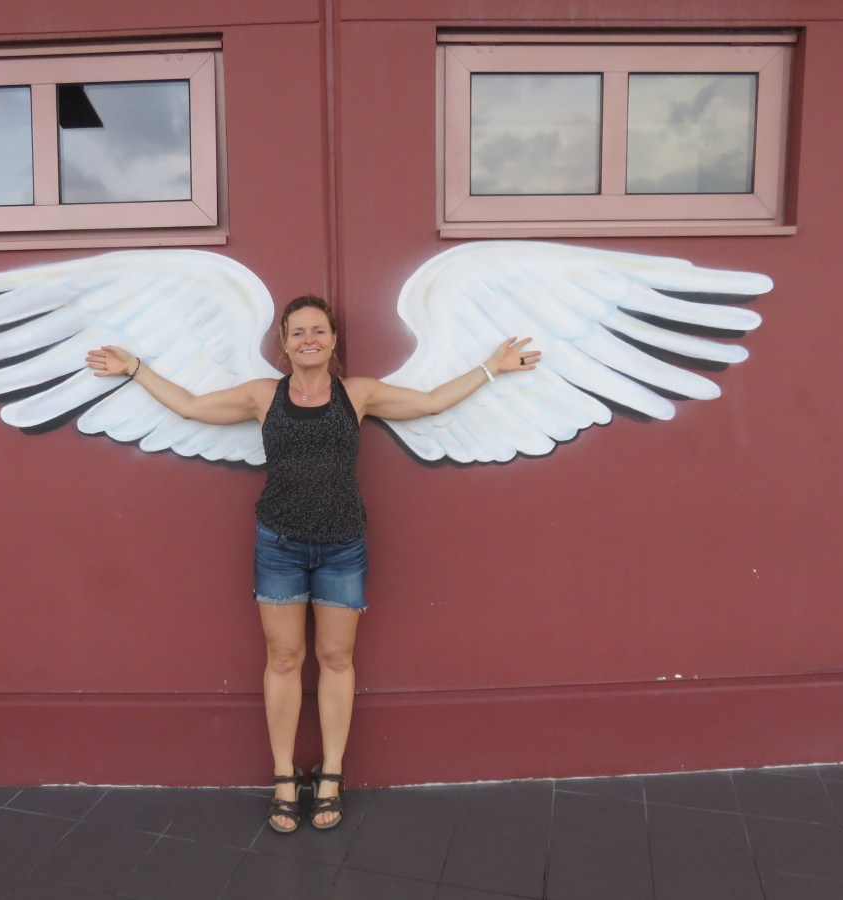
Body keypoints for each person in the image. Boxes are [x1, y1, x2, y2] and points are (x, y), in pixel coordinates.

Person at [85, 295, 540, 833]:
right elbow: (189, 406)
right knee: (283, 659)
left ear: (333, 339)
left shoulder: (358, 394)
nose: (309, 339)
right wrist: (134, 368)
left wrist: (493, 367)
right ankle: (284, 776)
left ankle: (330, 775)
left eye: (319, 330)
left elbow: (431, 402)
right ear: (284, 342)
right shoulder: (263, 395)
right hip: (278, 544)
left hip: (343, 546)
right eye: (298, 331)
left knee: (336, 658)